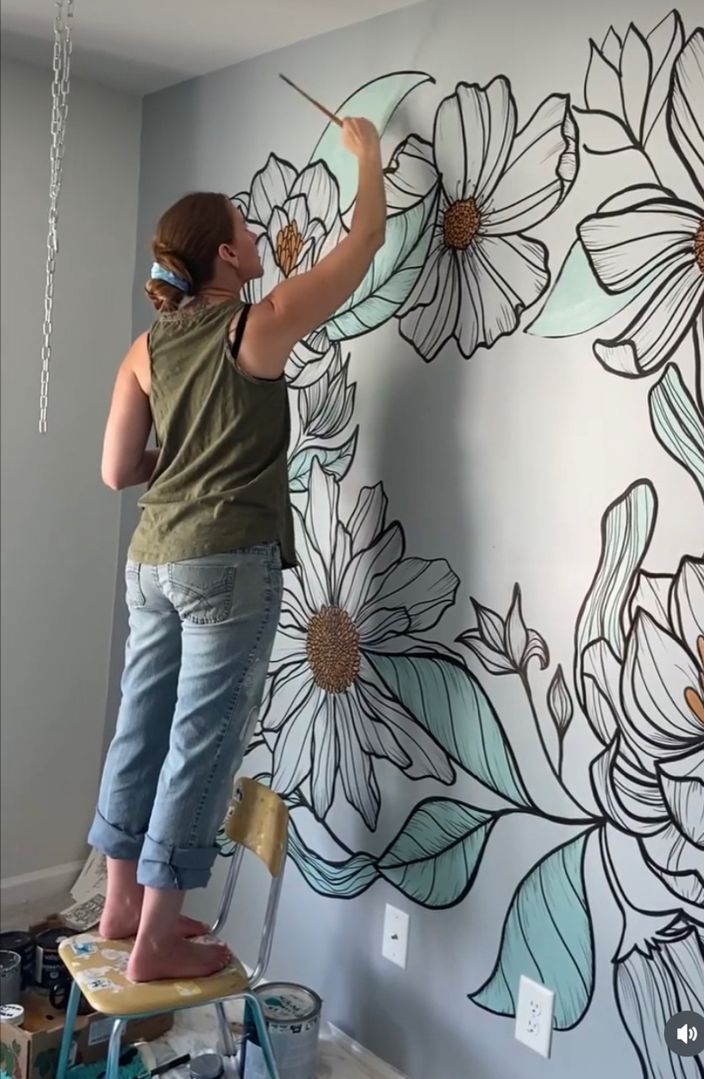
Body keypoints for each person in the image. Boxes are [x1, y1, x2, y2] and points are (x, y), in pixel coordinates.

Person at [90, 117, 386, 982]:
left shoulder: (144, 349)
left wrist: (176, 457)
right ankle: (156, 939)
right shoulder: (252, 327)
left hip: (152, 559)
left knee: (139, 728)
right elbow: (362, 242)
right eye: (248, 232)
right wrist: (367, 156)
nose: (258, 239)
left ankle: (119, 907)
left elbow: (117, 471)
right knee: (202, 741)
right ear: (224, 255)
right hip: (227, 561)